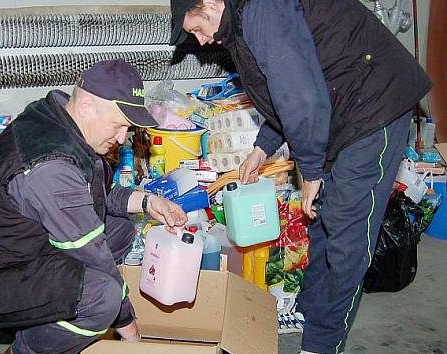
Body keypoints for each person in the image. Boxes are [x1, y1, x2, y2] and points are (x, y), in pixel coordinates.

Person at [170, 1, 431, 353]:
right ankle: (310, 312)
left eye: (198, 28)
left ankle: (323, 344)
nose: (200, 41)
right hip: (342, 109)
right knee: (321, 222)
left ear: (212, 3)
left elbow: (301, 96)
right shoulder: (240, 24)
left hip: (375, 106)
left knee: (347, 237)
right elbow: (282, 88)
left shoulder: (262, 9)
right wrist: (263, 147)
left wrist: (309, 170)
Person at [0, 59, 187, 354]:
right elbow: (96, 257)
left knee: (120, 230)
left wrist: (148, 201)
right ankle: (24, 349)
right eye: (119, 125)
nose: (123, 138)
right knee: (104, 298)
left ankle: (47, 309)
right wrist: (130, 332)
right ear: (85, 106)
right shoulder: (51, 167)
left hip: (13, 247)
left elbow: (98, 193)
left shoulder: (58, 121)